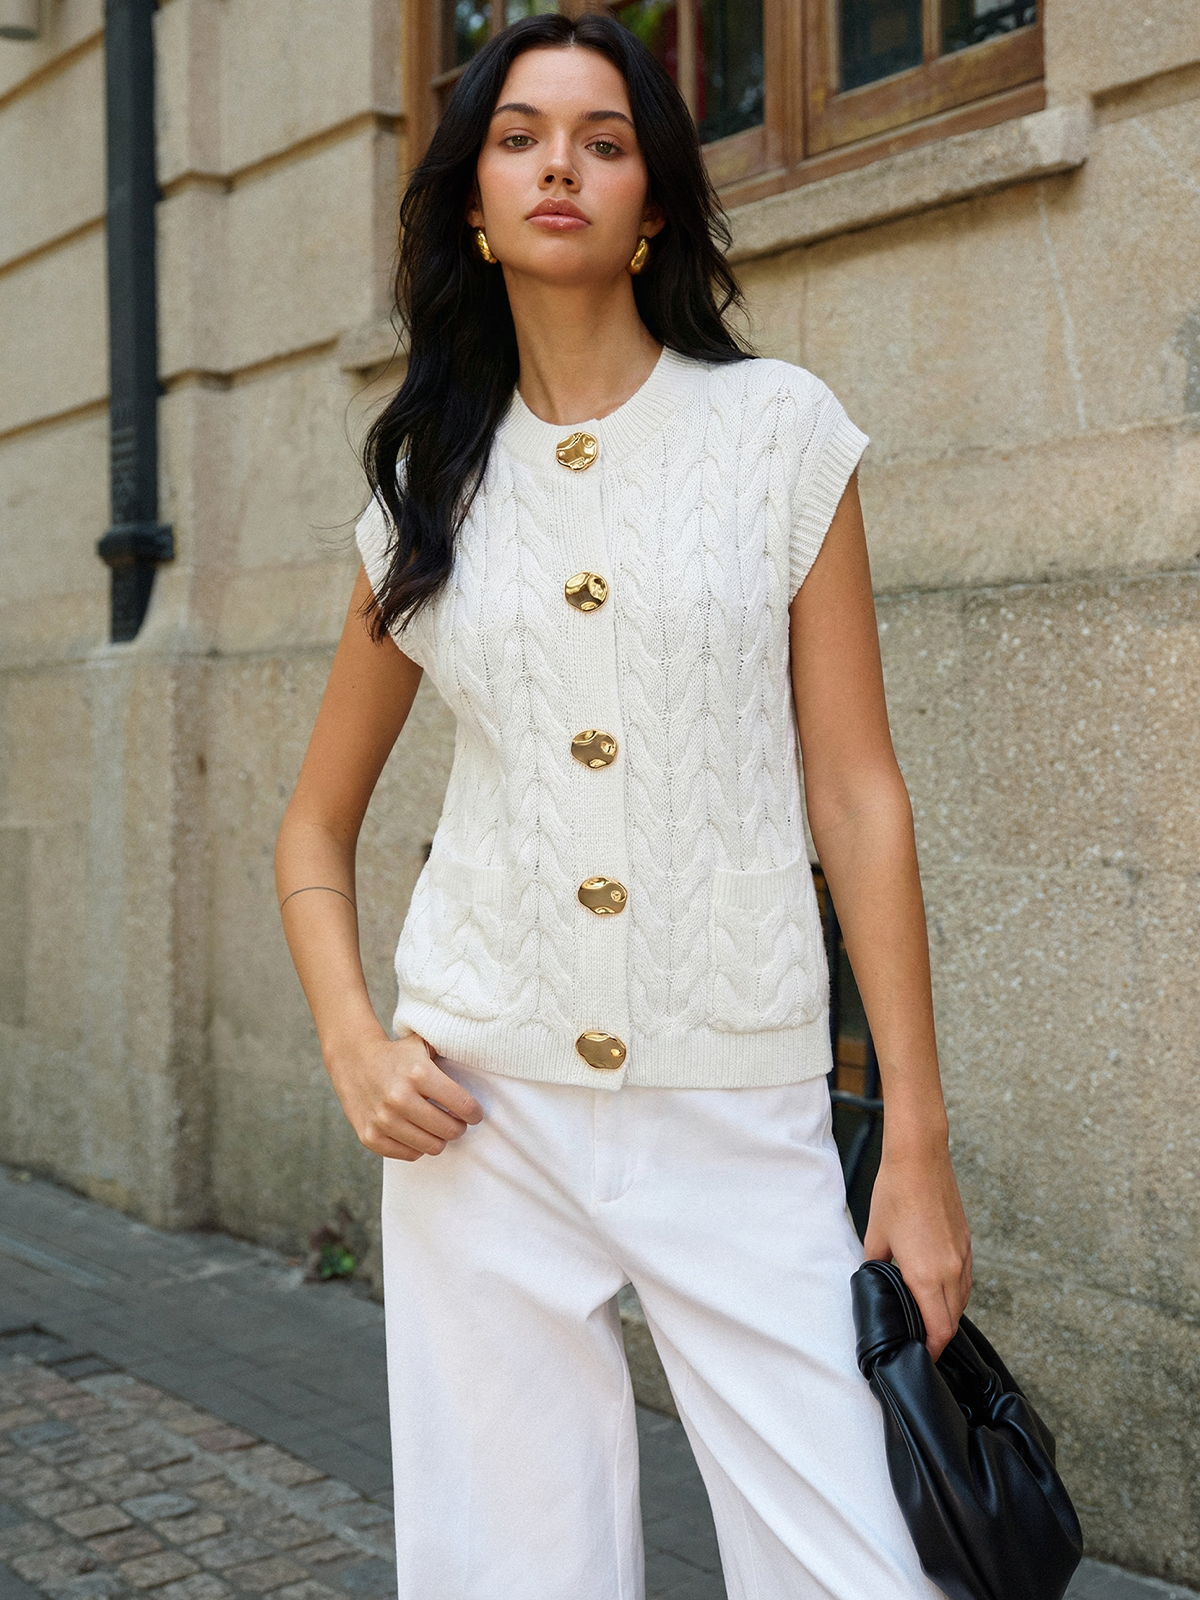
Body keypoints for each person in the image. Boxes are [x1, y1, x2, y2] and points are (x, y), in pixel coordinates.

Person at [275, 13, 971, 1598]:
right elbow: (312, 825)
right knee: (507, 1573)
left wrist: (916, 1146)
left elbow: (857, 793)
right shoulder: (424, 489)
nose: (560, 168)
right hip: (478, 1115)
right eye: (519, 138)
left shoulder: (778, 433)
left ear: (652, 200)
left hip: (740, 1099)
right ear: (473, 200)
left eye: (603, 141)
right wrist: (354, 1043)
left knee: (856, 1567)